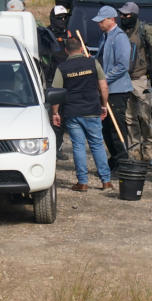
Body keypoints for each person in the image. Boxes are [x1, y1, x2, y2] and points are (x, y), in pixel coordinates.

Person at [51, 37, 113, 192]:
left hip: (73, 112)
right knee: (97, 145)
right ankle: (106, 181)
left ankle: (83, 182)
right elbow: (104, 87)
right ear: (81, 48)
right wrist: (103, 106)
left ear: (66, 51)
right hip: (92, 110)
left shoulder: (62, 68)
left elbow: (56, 92)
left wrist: (55, 113)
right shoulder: (93, 63)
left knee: (78, 146)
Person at [118, 2, 152, 161]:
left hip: (140, 79)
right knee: (129, 118)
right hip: (123, 79)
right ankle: (134, 151)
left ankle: (148, 148)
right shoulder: (119, 31)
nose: (123, 17)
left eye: (126, 15)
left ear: (134, 15)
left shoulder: (145, 29)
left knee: (144, 116)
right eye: (122, 14)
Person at [93, 5, 131, 171]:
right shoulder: (104, 37)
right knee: (106, 129)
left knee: (117, 128)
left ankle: (123, 161)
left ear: (111, 19)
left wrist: (104, 79)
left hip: (117, 90)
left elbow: (123, 65)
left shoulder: (120, 38)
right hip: (104, 89)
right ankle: (115, 159)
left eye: (102, 21)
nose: (99, 24)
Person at [42, 5, 73, 160]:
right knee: (50, 115)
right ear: (53, 18)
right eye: (59, 18)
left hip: (67, 81)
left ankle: (58, 147)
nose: (62, 21)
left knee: (62, 116)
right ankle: (48, 148)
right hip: (50, 81)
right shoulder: (46, 35)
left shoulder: (70, 34)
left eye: (65, 18)